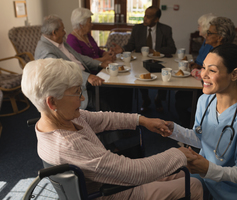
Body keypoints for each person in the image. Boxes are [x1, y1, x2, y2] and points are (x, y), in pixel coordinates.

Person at [21, 58, 203, 200]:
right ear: (52, 101)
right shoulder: (70, 144)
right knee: (194, 185)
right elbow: (134, 172)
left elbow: (104, 119)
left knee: (180, 172)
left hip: (111, 181)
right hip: (115, 193)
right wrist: (179, 154)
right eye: (77, 92)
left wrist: (142, 120)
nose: (82, 99)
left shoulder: (57, 119)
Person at [163, 44, 237, 199]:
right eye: (203, 67)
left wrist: (207, 168)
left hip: (236, 191)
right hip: (208, 177)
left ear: (234, 74)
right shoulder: (205, 101)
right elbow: (201, 137)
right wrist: (173, 130)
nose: (203, 75)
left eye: (212, 70)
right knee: (159, 184)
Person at [35, 14, 131, 113]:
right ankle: (116, 126)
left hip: (84, 79)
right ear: (54, 32)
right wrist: (88, 77)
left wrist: (99, 64)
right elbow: (63, 71)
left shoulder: (60, 42)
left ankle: (125, 120)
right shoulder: (45, 51)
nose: (65, 33)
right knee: (105, 104)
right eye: (62, 30)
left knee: (119, 89)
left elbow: (81, 58)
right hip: (74, 88)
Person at [112, 6, 177, 113]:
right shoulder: (137, 28)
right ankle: (145, 99)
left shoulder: (166, 29)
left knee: (165, 75)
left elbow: (172, 49)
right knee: (140, 73)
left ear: (156, 19)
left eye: (148, 16)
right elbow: (131, 45)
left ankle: (159, 99)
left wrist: (154, 50)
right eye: (145, 15)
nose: (144, 18)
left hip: (160, 60)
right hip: (141, 61)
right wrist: (122, 49)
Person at [175, 16, 234, 128]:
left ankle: (191, 129)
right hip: (211, 91)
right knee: (181, 95)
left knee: (181, 101)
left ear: (220, 38)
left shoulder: (222, 57)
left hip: (216, 96)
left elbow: (211, 79)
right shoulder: (217, 51)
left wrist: (196, 72)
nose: (206, 35)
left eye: (210, 33)